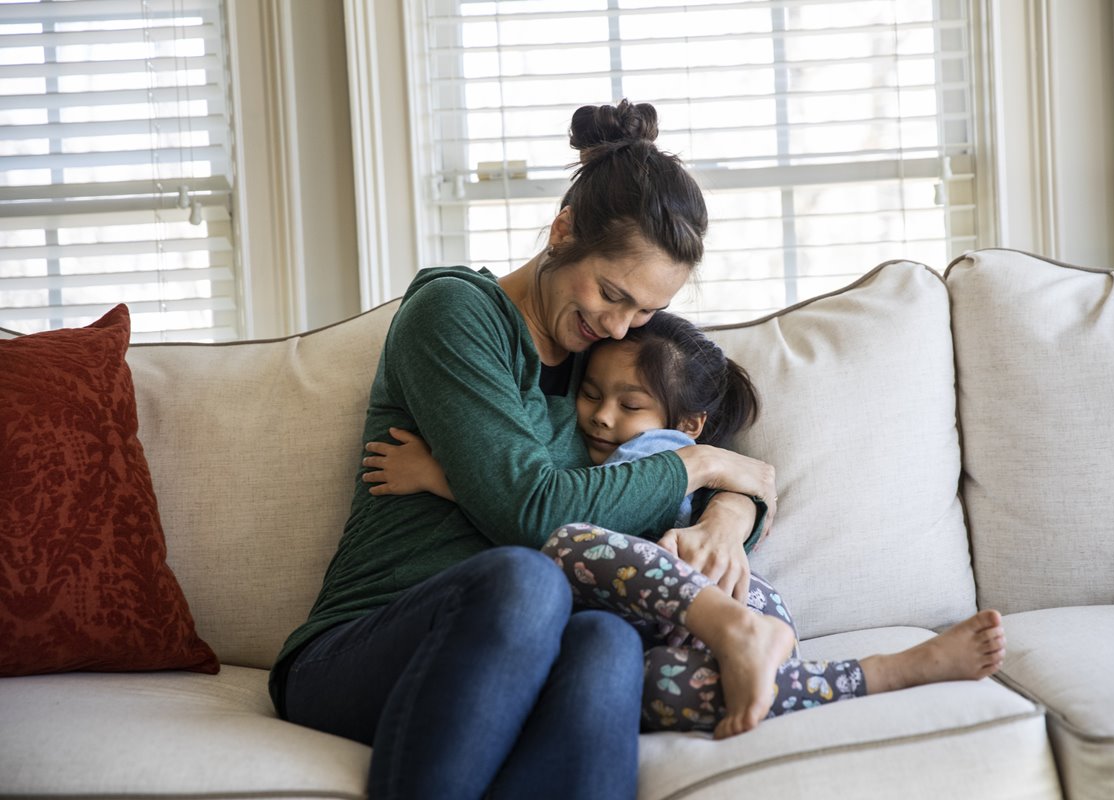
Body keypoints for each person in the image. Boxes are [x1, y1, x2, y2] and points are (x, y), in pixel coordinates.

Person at [269, 99, 780, 800]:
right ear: (562, 230)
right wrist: (707, 465)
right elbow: (533, 511)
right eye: (611, 294)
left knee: (607, 642)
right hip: (364, 646)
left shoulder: (603, 369)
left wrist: (726, 509)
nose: (618, 325)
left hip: (530, 651)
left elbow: (685, 452)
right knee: (526, 577)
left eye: (645, 312)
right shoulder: (454, 314)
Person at [366, 312, 1008, 741]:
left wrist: (442, 477)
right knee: (663, 694)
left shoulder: (658, 454)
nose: (600, 417)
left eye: (629, 405)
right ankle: (885, 672)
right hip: (690, 628)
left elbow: (561, 516)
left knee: (568, 542)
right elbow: (519, 489)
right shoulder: (600, 437)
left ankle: (750, 638)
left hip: (711, 598)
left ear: (688, 427)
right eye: (591, 394)